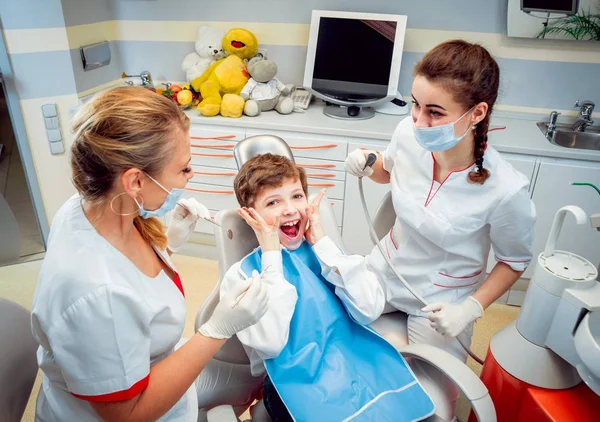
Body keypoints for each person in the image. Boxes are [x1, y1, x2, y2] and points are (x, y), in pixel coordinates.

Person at [30, 86, 269, 422]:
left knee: (253, 382)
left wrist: (168, 244)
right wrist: (218, 328)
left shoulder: (86, 207)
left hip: (153, 364)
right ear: (135, 182)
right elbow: (129, 414)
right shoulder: (97, 294)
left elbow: (131, 281)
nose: (191, 175)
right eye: (183, 169)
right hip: (136, 409)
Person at [344, 40, 536, 417]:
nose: (418, 121)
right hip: (385, 271)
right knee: (345, 360)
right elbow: (391, 171)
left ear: (477, 113)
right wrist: (371, 163)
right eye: (415, 104)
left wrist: (470, 308)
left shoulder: (507, 190)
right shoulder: (408, 133)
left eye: (434, 112)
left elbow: (514, 261)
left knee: (432, 408)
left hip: (441, 300)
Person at [220, 153, 435, 422]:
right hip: (295, 386)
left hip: (355, 366)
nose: (290, 210)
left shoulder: (323, 253)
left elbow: (368, 309)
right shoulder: (241, 275)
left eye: (297, 197)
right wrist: (271, 255)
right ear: (250, 214)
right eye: (274, 202)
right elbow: (272, 343)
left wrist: (323, 244)